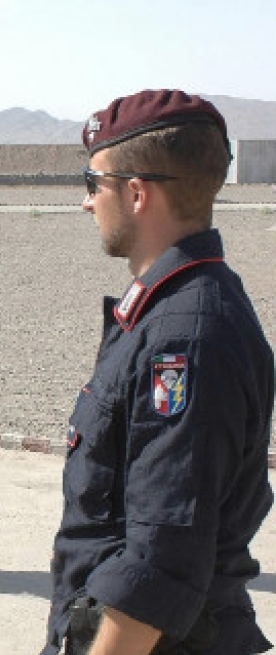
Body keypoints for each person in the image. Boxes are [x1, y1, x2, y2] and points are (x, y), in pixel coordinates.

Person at [43, 90, 273, 655]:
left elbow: (160, 563)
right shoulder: (171, 309)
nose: (87, 203)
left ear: (137, 193)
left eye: (93, 183)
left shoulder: (185, 336)